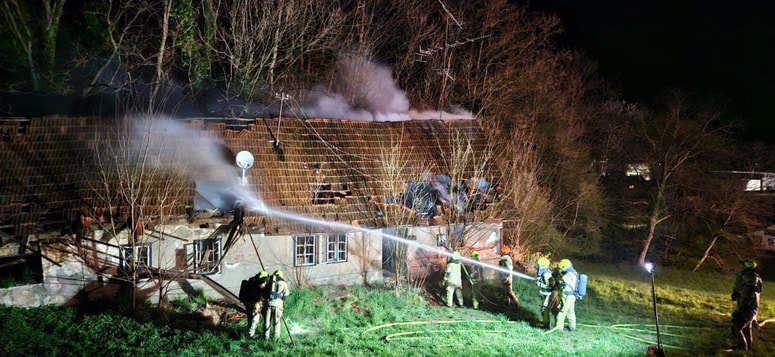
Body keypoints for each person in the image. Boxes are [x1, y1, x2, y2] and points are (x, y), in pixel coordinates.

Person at [730, 259, 763, 350]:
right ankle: (748, 347)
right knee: (747, 328)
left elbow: (745, 300)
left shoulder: (748, 287)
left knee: (737, 327)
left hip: (746, 310)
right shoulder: (757, 280)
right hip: (752, 310)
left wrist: (738, 311)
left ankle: (742, 347)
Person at [239, 270, 270, 337]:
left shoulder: (253, 282)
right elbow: (257, 296)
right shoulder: (253, 286)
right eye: (264, 283)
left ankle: (249, 333)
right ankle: (250, 335)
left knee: (251, 319)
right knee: (254, 320)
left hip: (251, 304)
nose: (264, 285)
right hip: (252, 304)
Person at [264, 269, 290, 341]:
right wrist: (282, 300)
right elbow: (286, 294)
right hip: (278, 306)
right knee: (276, 322)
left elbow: (265, 293)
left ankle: (266, 337)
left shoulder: (269, 282)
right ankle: (276, 339)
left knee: (267, 322)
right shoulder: (282, 283)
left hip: (268, 304)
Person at [535, 257, 559, 329]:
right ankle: (548, 323)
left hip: (549, 294)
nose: (537, 266)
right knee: (547, 309)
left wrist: (540, 284)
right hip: (545, 294)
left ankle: (546, 325)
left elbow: (550, 286)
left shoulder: (546, 274)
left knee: (545, 309)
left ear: (542, 265)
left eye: (538, 265)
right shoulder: (544, 272)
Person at [555, 258, 578, 332]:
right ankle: (572, 327)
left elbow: (561, 281)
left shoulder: (569, 274)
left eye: (561, 268)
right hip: (572, 296)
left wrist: (558, 273)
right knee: (570, 311)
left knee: (562, 312)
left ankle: (558, 329)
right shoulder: (573, 272)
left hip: (568, 296)